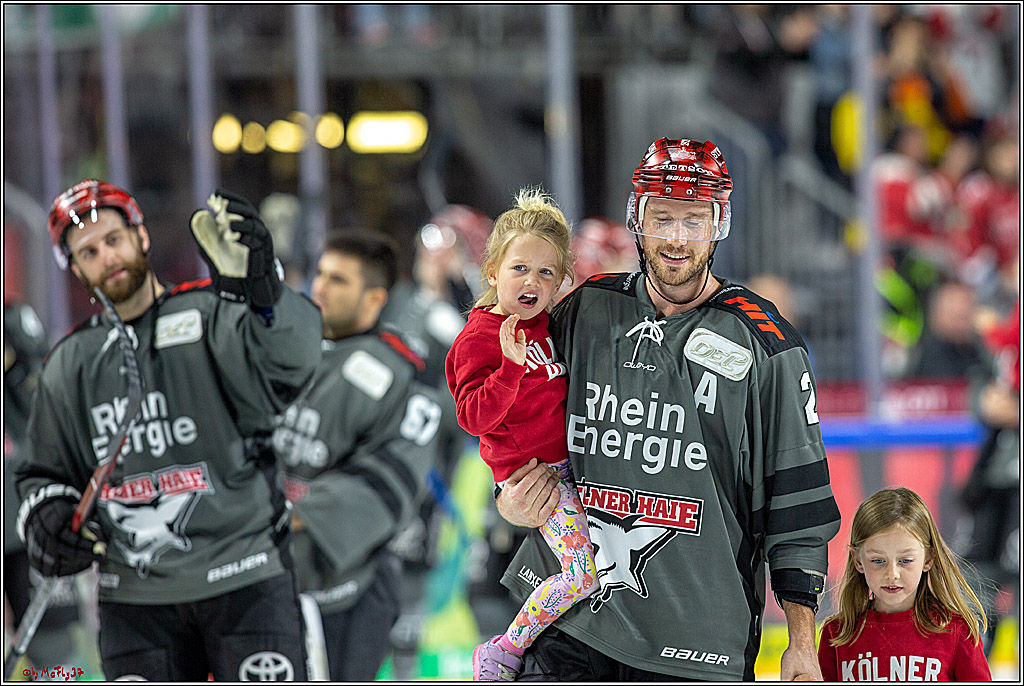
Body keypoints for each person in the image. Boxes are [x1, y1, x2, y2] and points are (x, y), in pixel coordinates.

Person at [495, 138, 841, 680]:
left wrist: (802, 638)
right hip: (572, 620)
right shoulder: (582, 310)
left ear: (718, 223)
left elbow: (798, 505)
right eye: (662, 218)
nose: (677, 239)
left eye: (694, 220)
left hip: (695, 645)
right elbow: (507, 405)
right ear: (636, 217)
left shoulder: (767, 345)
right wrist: (509, 496)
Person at [14, 180, 321, 680]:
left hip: (245, 577)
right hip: (135, 599)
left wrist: (265, 293)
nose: (106, 256)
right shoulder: (68, 363)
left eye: (113, 239)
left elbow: (293, 364)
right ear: (74, 269)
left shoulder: (211, 311)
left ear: (141, 236)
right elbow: (43, 471)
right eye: (88, 252)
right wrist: (46, 513)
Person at [272, 230, 442, 680]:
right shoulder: (282, 352)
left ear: (373, 299)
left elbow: (396, 478)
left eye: (339, 280)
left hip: (348, 589)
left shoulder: (404, 375)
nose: (320, 287)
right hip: (262, 579)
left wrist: (286, 511)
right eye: (321, 274)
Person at [445, 188, 598, 681]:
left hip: (574, 467)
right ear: (492, 272)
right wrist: (509, 371)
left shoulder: (547, 326)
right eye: (519, 269)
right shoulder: (479, 338)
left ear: (560, 284)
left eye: (546, 272)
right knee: (582, 576)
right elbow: (472, 416)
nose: (531, 281)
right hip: (537, 478)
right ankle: (504, 648)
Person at [817, 487, 991, 681]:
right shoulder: (836, 633)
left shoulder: (956, 630)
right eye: (877, 561)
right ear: (858, 561)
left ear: (928, 559)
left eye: (905, 561)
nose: (892, 574)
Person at [4, 299, 82, 674]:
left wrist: (18, 362)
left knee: (53, 654)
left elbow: (45, 398)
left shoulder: (12, 321)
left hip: (20, 523)